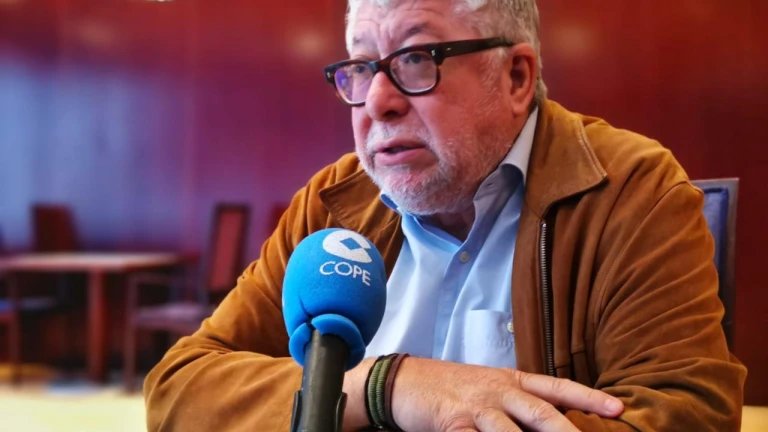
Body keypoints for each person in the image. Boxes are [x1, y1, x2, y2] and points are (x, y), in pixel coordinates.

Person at [144, 0, 746, 430]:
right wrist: (387, 386)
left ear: (516, 77)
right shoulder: (333, 205)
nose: (378, 101)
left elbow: (688, 414)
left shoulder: (633, 192)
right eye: (362, 67)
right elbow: (181, 388)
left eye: (416, 58)